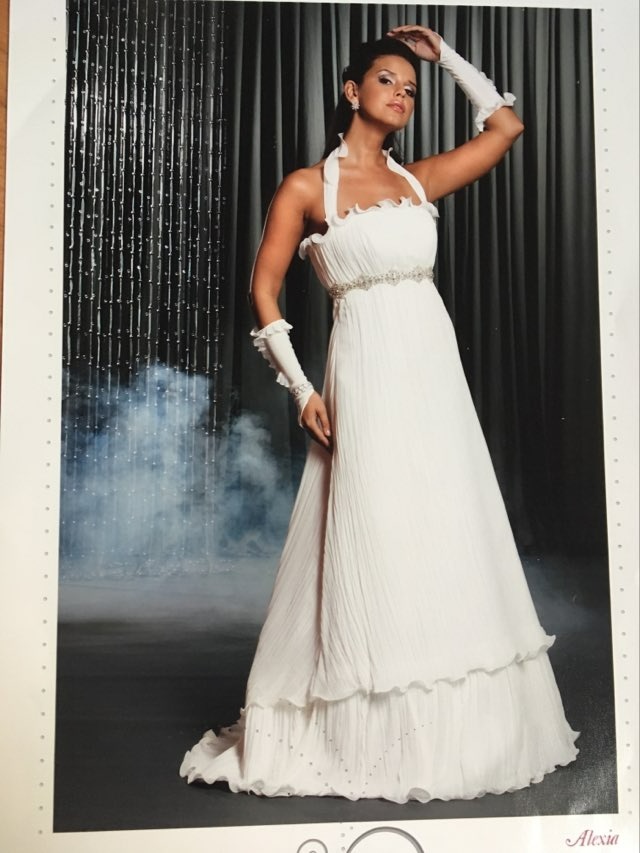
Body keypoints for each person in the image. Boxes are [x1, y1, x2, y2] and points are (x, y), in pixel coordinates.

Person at [180, 25, 579, 803]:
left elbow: (506, 128)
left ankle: (453, 732)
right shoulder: (307, 188)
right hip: (362, 376)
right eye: (388, 80)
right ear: (351, 90)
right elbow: (264, 290)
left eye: (410, 87)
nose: (402, 93)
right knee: (376, 534)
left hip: (434, 378)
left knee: (444, 529)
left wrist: (446, 58)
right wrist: (302, 389)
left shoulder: (417, 181)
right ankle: (365, 730)